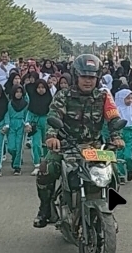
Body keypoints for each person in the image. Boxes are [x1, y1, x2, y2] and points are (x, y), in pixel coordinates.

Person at [33, 54, 125, 228]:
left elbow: (113, 117)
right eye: (84, 76)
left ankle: (107, 210)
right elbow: (54, 115)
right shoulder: (63, 95)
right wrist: (52, 136)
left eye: (92, 77)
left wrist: (117, 136)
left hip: (95, 147)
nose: (88, 81)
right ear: (76, 76)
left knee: (115, 174)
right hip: (67, 146)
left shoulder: (104, 96)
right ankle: (45, 209)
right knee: (46, 170)